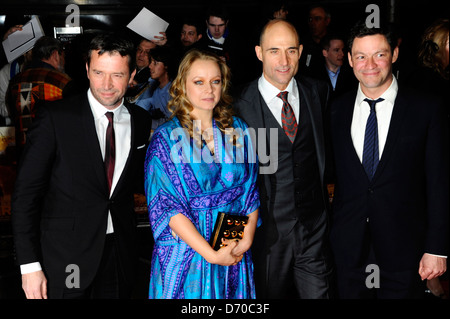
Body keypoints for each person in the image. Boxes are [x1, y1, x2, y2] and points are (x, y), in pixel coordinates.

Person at [11, 33, 152, 299]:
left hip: (119, 253)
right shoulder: (56, 118)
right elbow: (25, 196)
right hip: (67, 256)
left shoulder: (141, 121)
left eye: (118, 75)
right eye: (99, 72)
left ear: (132, 74)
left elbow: (135, 182)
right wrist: (29, 266)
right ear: (87, 69)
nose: (107, 84)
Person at [329, 22, 448, 299]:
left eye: (379, 54)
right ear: (349, 59)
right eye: (360, 56)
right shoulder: (336, 109)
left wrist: (436, 249)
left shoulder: (426, 108)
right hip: (348, 252)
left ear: (394, 54)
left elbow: (440, 183)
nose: (370, 64)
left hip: (406, 253)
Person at [144, 49, 260, 299]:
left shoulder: (238, 129)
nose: (209, 89)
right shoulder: (165, 139)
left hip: (232, 249)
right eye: (199, 82)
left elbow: (250, 190)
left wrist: (246, 240)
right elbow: (168, 209)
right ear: (182, 85)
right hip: (188, 258)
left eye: (215, 81)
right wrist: (211, 254)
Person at [234, 19, 334, 299]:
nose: (284, 60)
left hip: (314, 229)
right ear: (258, 52)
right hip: (266, 235)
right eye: (274, 50)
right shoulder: (237, 104)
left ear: (301, 51)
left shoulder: (318, 91)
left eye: (291, 50)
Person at [6, 36, 76, 157]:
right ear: (55, 55)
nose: (64, 61)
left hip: (23, 153)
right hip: (53, 153)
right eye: (63, 56)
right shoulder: (63, 81)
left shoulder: (15, 81)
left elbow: (12, 112)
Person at [135, 45, 175, 131]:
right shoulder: (156, 91)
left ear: (166, 66)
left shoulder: (173, 92)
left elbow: (172, 123)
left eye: (155, 63)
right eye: (151, 62)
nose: (150, 66)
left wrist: (146, 122)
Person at [316, 34, 358, 101]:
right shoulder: (315, 76)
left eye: (342, 50)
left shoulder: (352, 74)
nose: (342, 54)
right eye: (336, 50)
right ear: (325, 53)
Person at [300, 5, 331, 76]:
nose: (313, 23)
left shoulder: (334, 43)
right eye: (310, 19)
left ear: (327, 21)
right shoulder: (303, 44)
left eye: (317, 19)